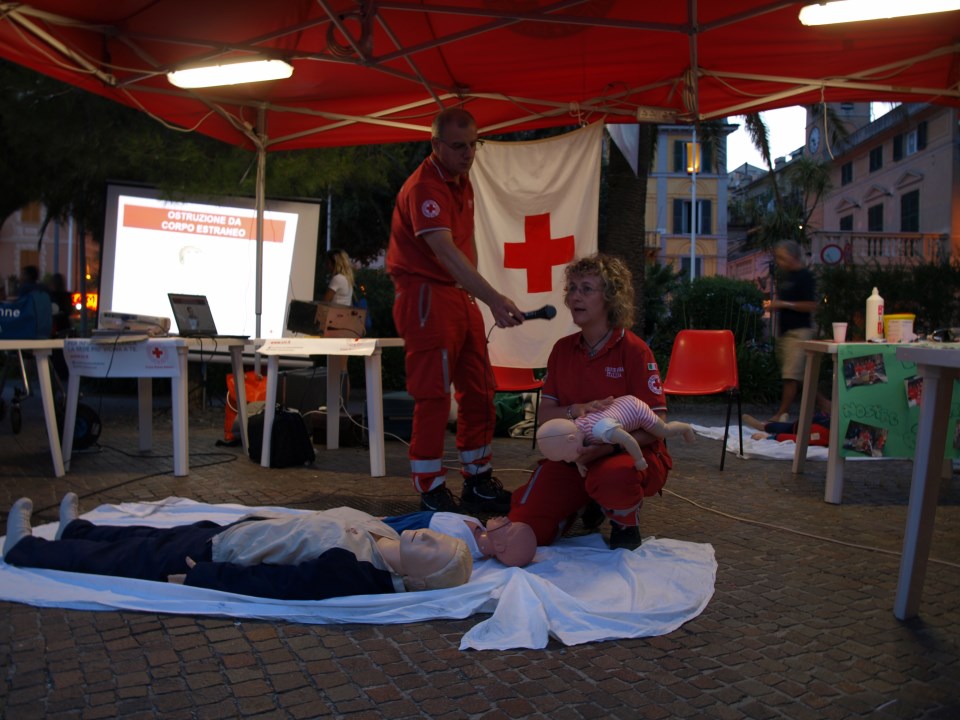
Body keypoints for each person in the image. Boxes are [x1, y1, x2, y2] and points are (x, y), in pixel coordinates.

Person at [386, 106, 524, 513]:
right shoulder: (425, 187)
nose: (469, 154)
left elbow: (464, 248)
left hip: (455, 294)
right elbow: (445, 252)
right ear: (436, 145)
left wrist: (474, 289)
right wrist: (493, 297)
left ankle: (477, 479)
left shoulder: (460, 182)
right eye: (459, 146)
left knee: (480, 387)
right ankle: (430, 487)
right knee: (433, 395)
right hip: (427, 296)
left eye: (473, 145)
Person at [3, 494, 472, 600]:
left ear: (419, 579)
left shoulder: (356, 571)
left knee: (125, 561)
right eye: (436, 534)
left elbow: (282, 585)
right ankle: (76, 532)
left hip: (219, 558)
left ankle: (26, 549)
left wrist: (205, 578)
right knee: (143, 538)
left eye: (434, 549)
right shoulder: (383, 534)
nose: (427, 534)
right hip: (235, 533)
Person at [508, 254, 673, 551]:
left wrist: (609, 446)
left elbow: (658, 422)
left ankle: (624, 518)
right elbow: (545, 416)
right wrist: (575, 410)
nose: (574, 297)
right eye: (571, 288)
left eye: (586, 289)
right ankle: (581, 502)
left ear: (611, 298)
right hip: (575, 456)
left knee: (614, 476)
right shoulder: (562, 350)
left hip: (621, 454)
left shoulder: (635, 351)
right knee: (525, 526)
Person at [536, 394, 695, 476]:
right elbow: (574, 451)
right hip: (619, 406)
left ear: (571, 438)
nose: (568, 460)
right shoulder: (575, 427)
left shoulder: (599, 429)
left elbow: (627, 438)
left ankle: (685, 428)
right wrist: (579, 463)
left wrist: (638, 459)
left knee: (663, 431)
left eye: (566, 457)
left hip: (635, 409)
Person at [763, 240, 817, 423]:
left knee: (791, 376)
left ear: (792, 256)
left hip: (799, 332)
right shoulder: (787, 277)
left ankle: (781, 414)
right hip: (787, 333)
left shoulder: (804, 277)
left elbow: (811, 305)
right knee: (799, 376)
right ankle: (826, 405)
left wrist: (784, 304)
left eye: (782, 257)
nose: (779, 261)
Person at [382, 511, 537, 568]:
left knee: (371, 526)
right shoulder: (480, 530)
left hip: (416, 527)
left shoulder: (461, 546)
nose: (505, 519)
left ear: (500, 546)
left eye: (508, 527)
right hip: (423, 517)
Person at [743, 412, 831, 446]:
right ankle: (762, 426)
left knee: (783, 428)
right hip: (798, 426)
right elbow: (798, 438)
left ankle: (777, 424)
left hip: (804, 426)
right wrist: (770, 437)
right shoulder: (822, 434)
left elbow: (797, 439)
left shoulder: (821, 435)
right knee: (781, 427)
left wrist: (769, 438)